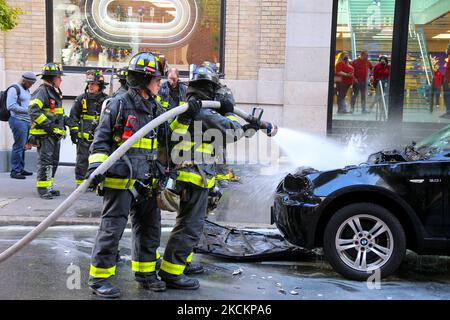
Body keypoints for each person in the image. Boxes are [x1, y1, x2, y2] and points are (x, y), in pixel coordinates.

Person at [85, 52, 199, 298]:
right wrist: (95, 168)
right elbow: (101, 141)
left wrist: (187, 115)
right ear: (143, 80)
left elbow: (168, 138)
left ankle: (146, 273)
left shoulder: (155, 107)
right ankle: (99, 278)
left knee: (149, 229)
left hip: (148, 181)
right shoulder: (118, 104)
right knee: (112, 230)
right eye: (156, 79)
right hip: (121, 181)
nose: (160, 83)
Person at [158, 64, 249, 290]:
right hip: (192, 178)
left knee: (189, 224)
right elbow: (232, 132)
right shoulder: (203, 112)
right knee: (189, 226)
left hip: (196, 177)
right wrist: (228, 111)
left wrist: (251, 126)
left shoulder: (195, 109)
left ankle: (183, 264)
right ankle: (172, 273)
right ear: (209, 88)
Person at [28, 63, 67, 200]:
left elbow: (56, 113)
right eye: (59, 77)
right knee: (45, 162)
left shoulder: (53, 91)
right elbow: (33, 111)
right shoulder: (42, 91)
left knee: (53, 161)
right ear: (52, 78)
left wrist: (64, 123)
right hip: (45, 135)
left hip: (54, 135)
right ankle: (43, 189)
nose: (61, 80)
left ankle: (49, 186)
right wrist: (50, 127)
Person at [68, 70, 109, 185]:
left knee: (98, 160)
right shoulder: (81, 99)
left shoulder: (107, 100)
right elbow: (73, 117)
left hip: (100, 138)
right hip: (83, 139)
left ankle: (95, 183)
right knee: (82, 161)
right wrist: (74, 133)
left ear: (100, 86)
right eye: (89, 84)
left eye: (93, 84)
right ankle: (80, 184)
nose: (90, 86)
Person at [6, 72, 37, 179]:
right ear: (24, 81)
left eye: (32, 83)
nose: (31, 85)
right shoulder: (14, 89)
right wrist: (28, 111)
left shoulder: (26, 90)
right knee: (18, 146)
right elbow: (10, 106)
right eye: (30, 83)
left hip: (26, 122)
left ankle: (20, 168)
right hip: (17, 121)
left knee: (23, 146)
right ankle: (15, 171)